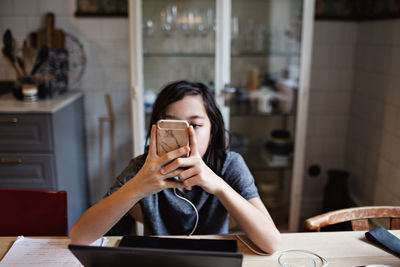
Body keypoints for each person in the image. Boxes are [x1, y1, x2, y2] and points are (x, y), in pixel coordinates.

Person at [70, 80, 281, 253]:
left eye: (196, 125)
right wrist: (137, 188)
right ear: (155, 130)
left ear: (213, 130)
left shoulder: (229, 165)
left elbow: (271, 243)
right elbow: (79, 237)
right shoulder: (142, 169)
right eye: (171, 126)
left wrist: (217, 184)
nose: (186, 137)